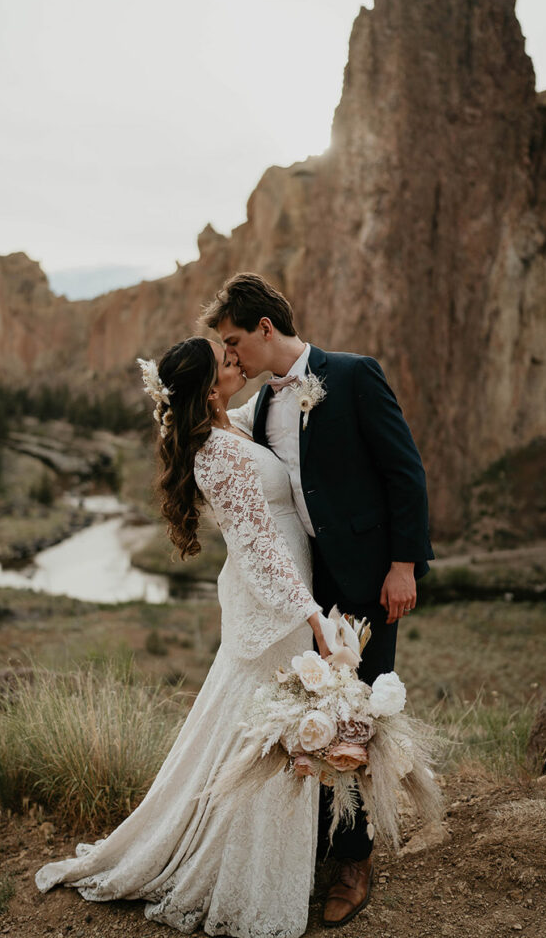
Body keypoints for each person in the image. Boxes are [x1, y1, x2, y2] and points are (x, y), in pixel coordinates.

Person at [35, 334, 332, 938]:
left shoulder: (233, 424)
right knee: (265, 735)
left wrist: (299, 374)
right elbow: (257, 549)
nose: (237, 362)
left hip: (287, 598)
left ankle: (265, 864)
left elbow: (267, 407)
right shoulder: (214, 454)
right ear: (207, 386)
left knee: (257, 730)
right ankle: (244, 879)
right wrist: (312, 615)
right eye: (226, 362)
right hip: (274, 606)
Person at [203, 273, 434, 928]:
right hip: (306, 591)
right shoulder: (266, 407)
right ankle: (317, 842)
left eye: (234, 340)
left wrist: (401, 565)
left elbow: (404, 472)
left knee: (357, 717)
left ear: (265, 329)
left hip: (366, 583)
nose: (232, 355)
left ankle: (354, 862)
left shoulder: (354, 375)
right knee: (315, 717)